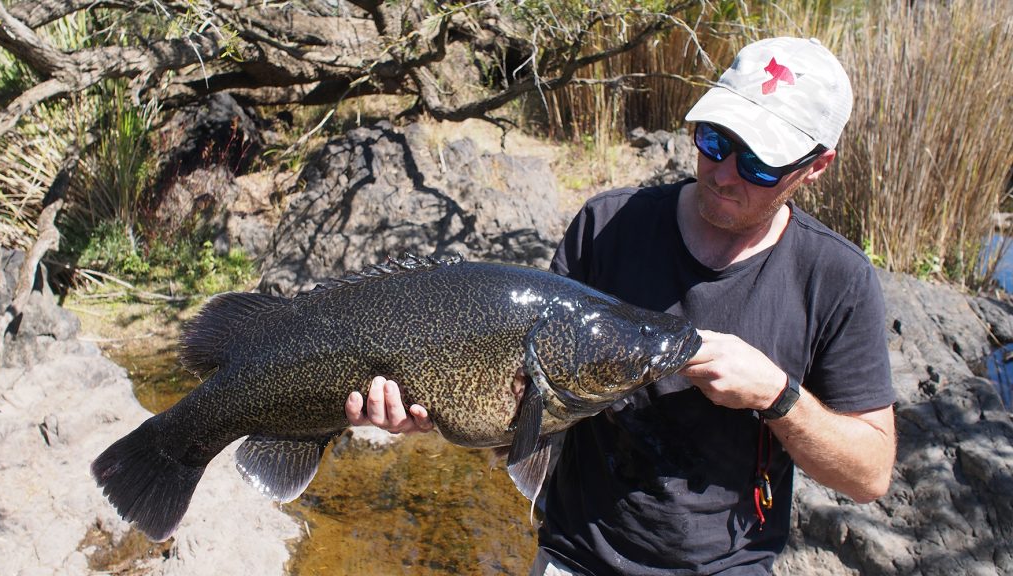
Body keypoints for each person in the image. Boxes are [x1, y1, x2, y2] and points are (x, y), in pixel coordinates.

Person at [345, 36, 896, 575]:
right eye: (714, 140)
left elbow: (869, 476)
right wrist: (432, 405)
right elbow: (526, 405)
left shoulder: (836, 279)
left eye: (759, 164)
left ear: (817, 166)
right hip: (576, 556)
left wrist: (778, 398)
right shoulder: (607, 226)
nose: (724, 172)